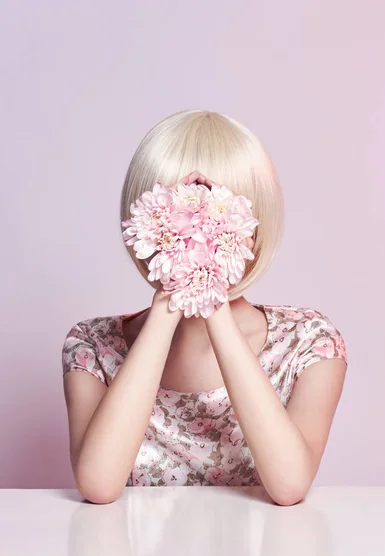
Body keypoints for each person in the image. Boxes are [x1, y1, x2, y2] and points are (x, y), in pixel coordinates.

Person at [62, 109, 348, 505]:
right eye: (176, 217)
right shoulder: (92, 345)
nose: (195, 235)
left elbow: (289, 486)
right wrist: (172, 294)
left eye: (214, 217)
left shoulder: (308, 344)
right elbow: (98, 485)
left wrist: (211, 294)